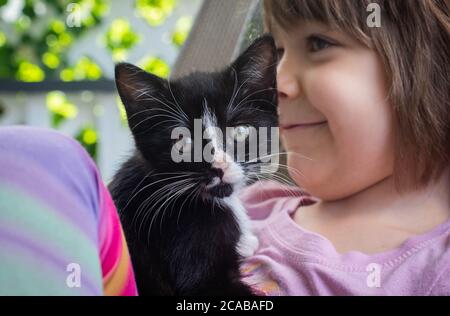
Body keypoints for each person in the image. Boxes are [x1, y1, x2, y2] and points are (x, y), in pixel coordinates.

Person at [239, 0, 450, 295]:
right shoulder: (246, 204)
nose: (274, 84)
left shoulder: (436, 274)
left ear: (430, 60)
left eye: (318, 43)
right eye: (278, 54)